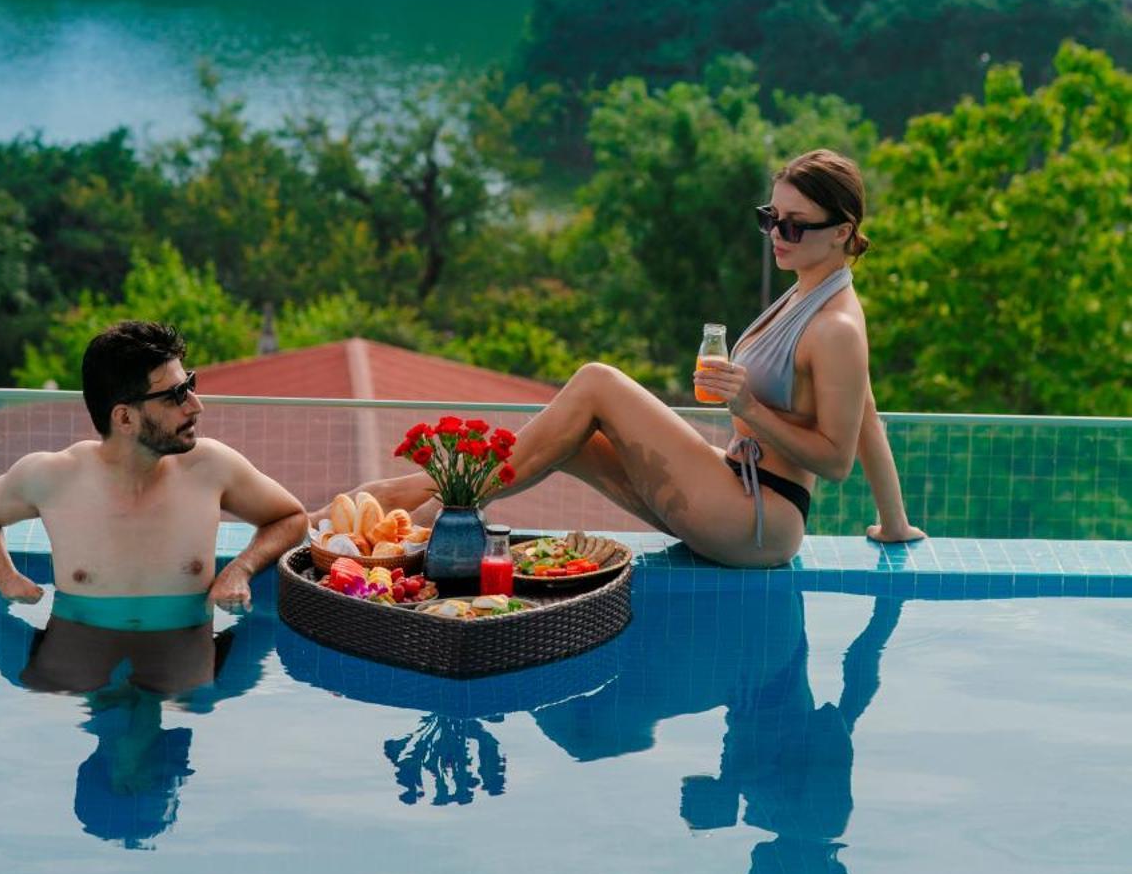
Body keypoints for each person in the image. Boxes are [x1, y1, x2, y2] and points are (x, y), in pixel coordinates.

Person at [358, 151, 922, 569]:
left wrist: (748, 403)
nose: (777, 234)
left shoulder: (837, 327)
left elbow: (836, 460)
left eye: (795, 225)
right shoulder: (809, 290)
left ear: (842, 231)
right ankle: (410, 503)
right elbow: (866, 408)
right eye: (770, 218)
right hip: (733, 489)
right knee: (569, 436)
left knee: (597, 383)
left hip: (759, 519)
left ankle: (417, 516)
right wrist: (894, 525)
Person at [0, 320, 307, 686]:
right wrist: (4, 577)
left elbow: (291, 517)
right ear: (124, 418)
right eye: (175, 395)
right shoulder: (54, 477)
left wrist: (240, 569)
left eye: (190, 384)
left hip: (180, 687)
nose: (195, 405)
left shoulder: (210, 468)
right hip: (78, 679)